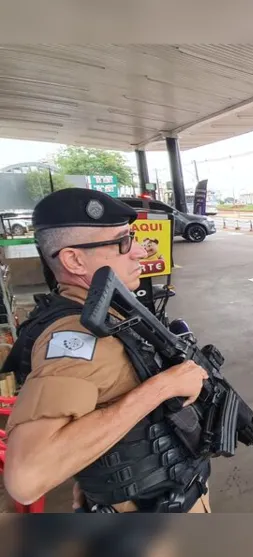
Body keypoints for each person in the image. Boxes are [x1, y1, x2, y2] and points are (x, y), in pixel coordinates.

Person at [1, 188, 212, 513]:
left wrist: (91, 465)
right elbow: (26, 477)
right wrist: (163, 387)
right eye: (123, 242)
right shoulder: (76, 336)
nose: (140, 251)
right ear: (73, 259)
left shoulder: (98, 312)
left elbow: (91, 406)